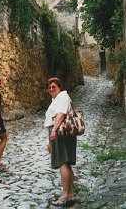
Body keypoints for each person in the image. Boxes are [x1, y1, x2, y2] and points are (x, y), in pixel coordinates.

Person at [44, 77, 76, 206]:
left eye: (54, 87)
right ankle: (70, 194)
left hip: (60, 131)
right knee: (66, 163)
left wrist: (53, 131)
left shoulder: (63, 96)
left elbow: (61, 114)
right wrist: (49, 142)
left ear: (59, 87)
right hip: (60, 131)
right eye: (49, 87)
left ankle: (64, 195)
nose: (51, 89)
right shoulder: (56, 99)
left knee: (63, 162)